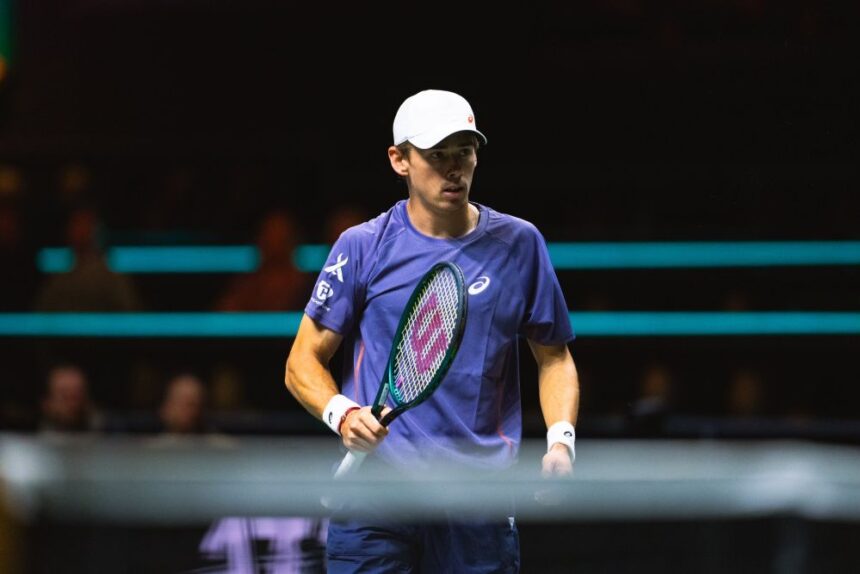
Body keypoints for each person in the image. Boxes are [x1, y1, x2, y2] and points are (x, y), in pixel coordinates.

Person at [284, 89, 580, 572]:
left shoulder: (519, 243)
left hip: (477, 496)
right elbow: (301, 361)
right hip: (376, 495)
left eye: (464, 152)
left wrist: (561, 441)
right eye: (436, 155)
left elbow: (554, 357)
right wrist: (342, 414)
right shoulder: (361, 246)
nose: (453, 169)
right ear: (399, 160)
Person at [39, 363, 104, 434]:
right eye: (65, 395)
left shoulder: (108, 431)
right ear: (47, 402)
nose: (73, 404)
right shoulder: (34, 435)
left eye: (77, 394)